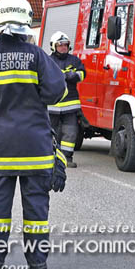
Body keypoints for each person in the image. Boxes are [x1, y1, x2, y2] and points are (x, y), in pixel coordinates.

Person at [0, 0, 67, 269]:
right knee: (36, 210)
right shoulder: (37, 56)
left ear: (0, 24)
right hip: (35, 147)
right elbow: (56, 91)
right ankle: (37, 263)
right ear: (25, 24)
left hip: (0, 147)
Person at [48, 31, 86, 168]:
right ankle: (50, 157)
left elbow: (82, 73)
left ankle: (67, 158)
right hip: (52, 105)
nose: (63, 47)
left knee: (70, 132)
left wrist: (73, 75)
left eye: (66, 45)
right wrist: (62, 75)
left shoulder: (74, 60)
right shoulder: (48, 61)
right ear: (54, 46)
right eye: (60, 45)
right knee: (51, 132)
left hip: (71, 106)